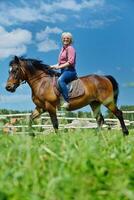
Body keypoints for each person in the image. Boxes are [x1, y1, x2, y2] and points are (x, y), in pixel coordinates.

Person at [51, 32, 77, 108]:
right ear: (62, 39)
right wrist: (51, 66)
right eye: (64, 38)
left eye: (67, 38)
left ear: (70, 40)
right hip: (63, 71)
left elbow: (70, 62)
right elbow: (59, 63)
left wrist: (59, 67)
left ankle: (67, 101)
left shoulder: (70, 48)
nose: (65, 39)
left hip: (70, 71)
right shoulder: (62, 49)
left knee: (60, 80)